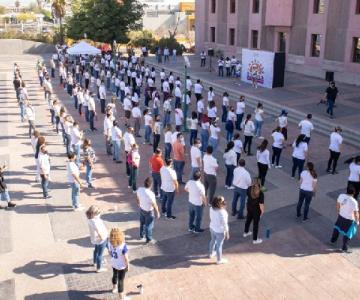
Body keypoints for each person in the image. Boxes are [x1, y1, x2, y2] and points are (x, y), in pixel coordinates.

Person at [330, 186, 359, 253]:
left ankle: (332, 241)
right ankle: (344, 248)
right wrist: (357, 221)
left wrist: (339, 212)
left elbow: (337, 205)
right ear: (353, 193)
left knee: (337, 228)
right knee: (348, 233)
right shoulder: (354, 202)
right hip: (349, 219)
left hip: (341, 216)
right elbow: (356, 213)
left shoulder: (341, 196)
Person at [137, 177, 161, 244]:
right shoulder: (151, 194)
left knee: (142, 223)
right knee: (149, 226)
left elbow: (138, 197)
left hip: (142, 209)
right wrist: (158, 212)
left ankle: (141, 235)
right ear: (151, 185)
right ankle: (149, 239)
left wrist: (139, 203)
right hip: (149, 212)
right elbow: (154, 204)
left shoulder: (139, 189)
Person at [108, 228, 130, 300]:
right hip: (121, 266)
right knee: (121, 280)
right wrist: (128, 265)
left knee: (114, 275)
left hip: (114, 263)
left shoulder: (110, 243)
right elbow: (126, 258)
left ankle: (114, 288)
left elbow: (110, 252)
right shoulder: (123, 246)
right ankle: (122, 297)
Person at [86, 205, 108, 272]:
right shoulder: (95, 221)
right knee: (100, 254)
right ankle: (99, 268)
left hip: (95, 239)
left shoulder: (90, 219)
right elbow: (98, 231)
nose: (99, 214)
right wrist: (102, 238)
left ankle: (95, 262)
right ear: (94, 214)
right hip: (100, 239)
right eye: (98, 213)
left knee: (96, 250)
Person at [209, 196, 229, 264]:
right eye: (223, 201)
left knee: (212, 240)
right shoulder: (222, 212)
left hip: (212, 227)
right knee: (219, 245)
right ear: (218, 203)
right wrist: (227, 232)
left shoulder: (211, 208)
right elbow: (225, 223)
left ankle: (211, 253)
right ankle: (219, 260)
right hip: (220, 231)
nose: (224, 202)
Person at [243, 178, 265, 244]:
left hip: (249, 206)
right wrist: (262, 212)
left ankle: (246, 232)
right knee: (255, 224)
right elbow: (261, 205)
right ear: (259, 184)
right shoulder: (260, 193)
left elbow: (247, 195)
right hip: (256, 210)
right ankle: (255, 240)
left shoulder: (249, 188)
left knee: (248, 219)